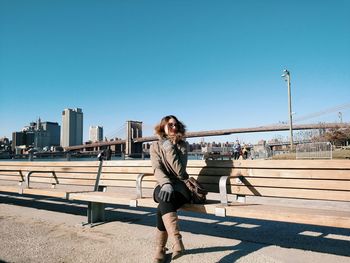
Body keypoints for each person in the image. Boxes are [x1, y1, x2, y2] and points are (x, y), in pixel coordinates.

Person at [150, 115, 191, 262]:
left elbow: (180, 172)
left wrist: (169, 147)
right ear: (163, 127)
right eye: (170, 125)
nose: (174, 127)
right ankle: (177, 241)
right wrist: (166, 184)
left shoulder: (183, 145)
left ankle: (160, 249)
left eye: (176, 125)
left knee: (163, 203)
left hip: (180, 187)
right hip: (162, 185)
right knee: (164, 195)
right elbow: (157, 168)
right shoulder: (154, 146)